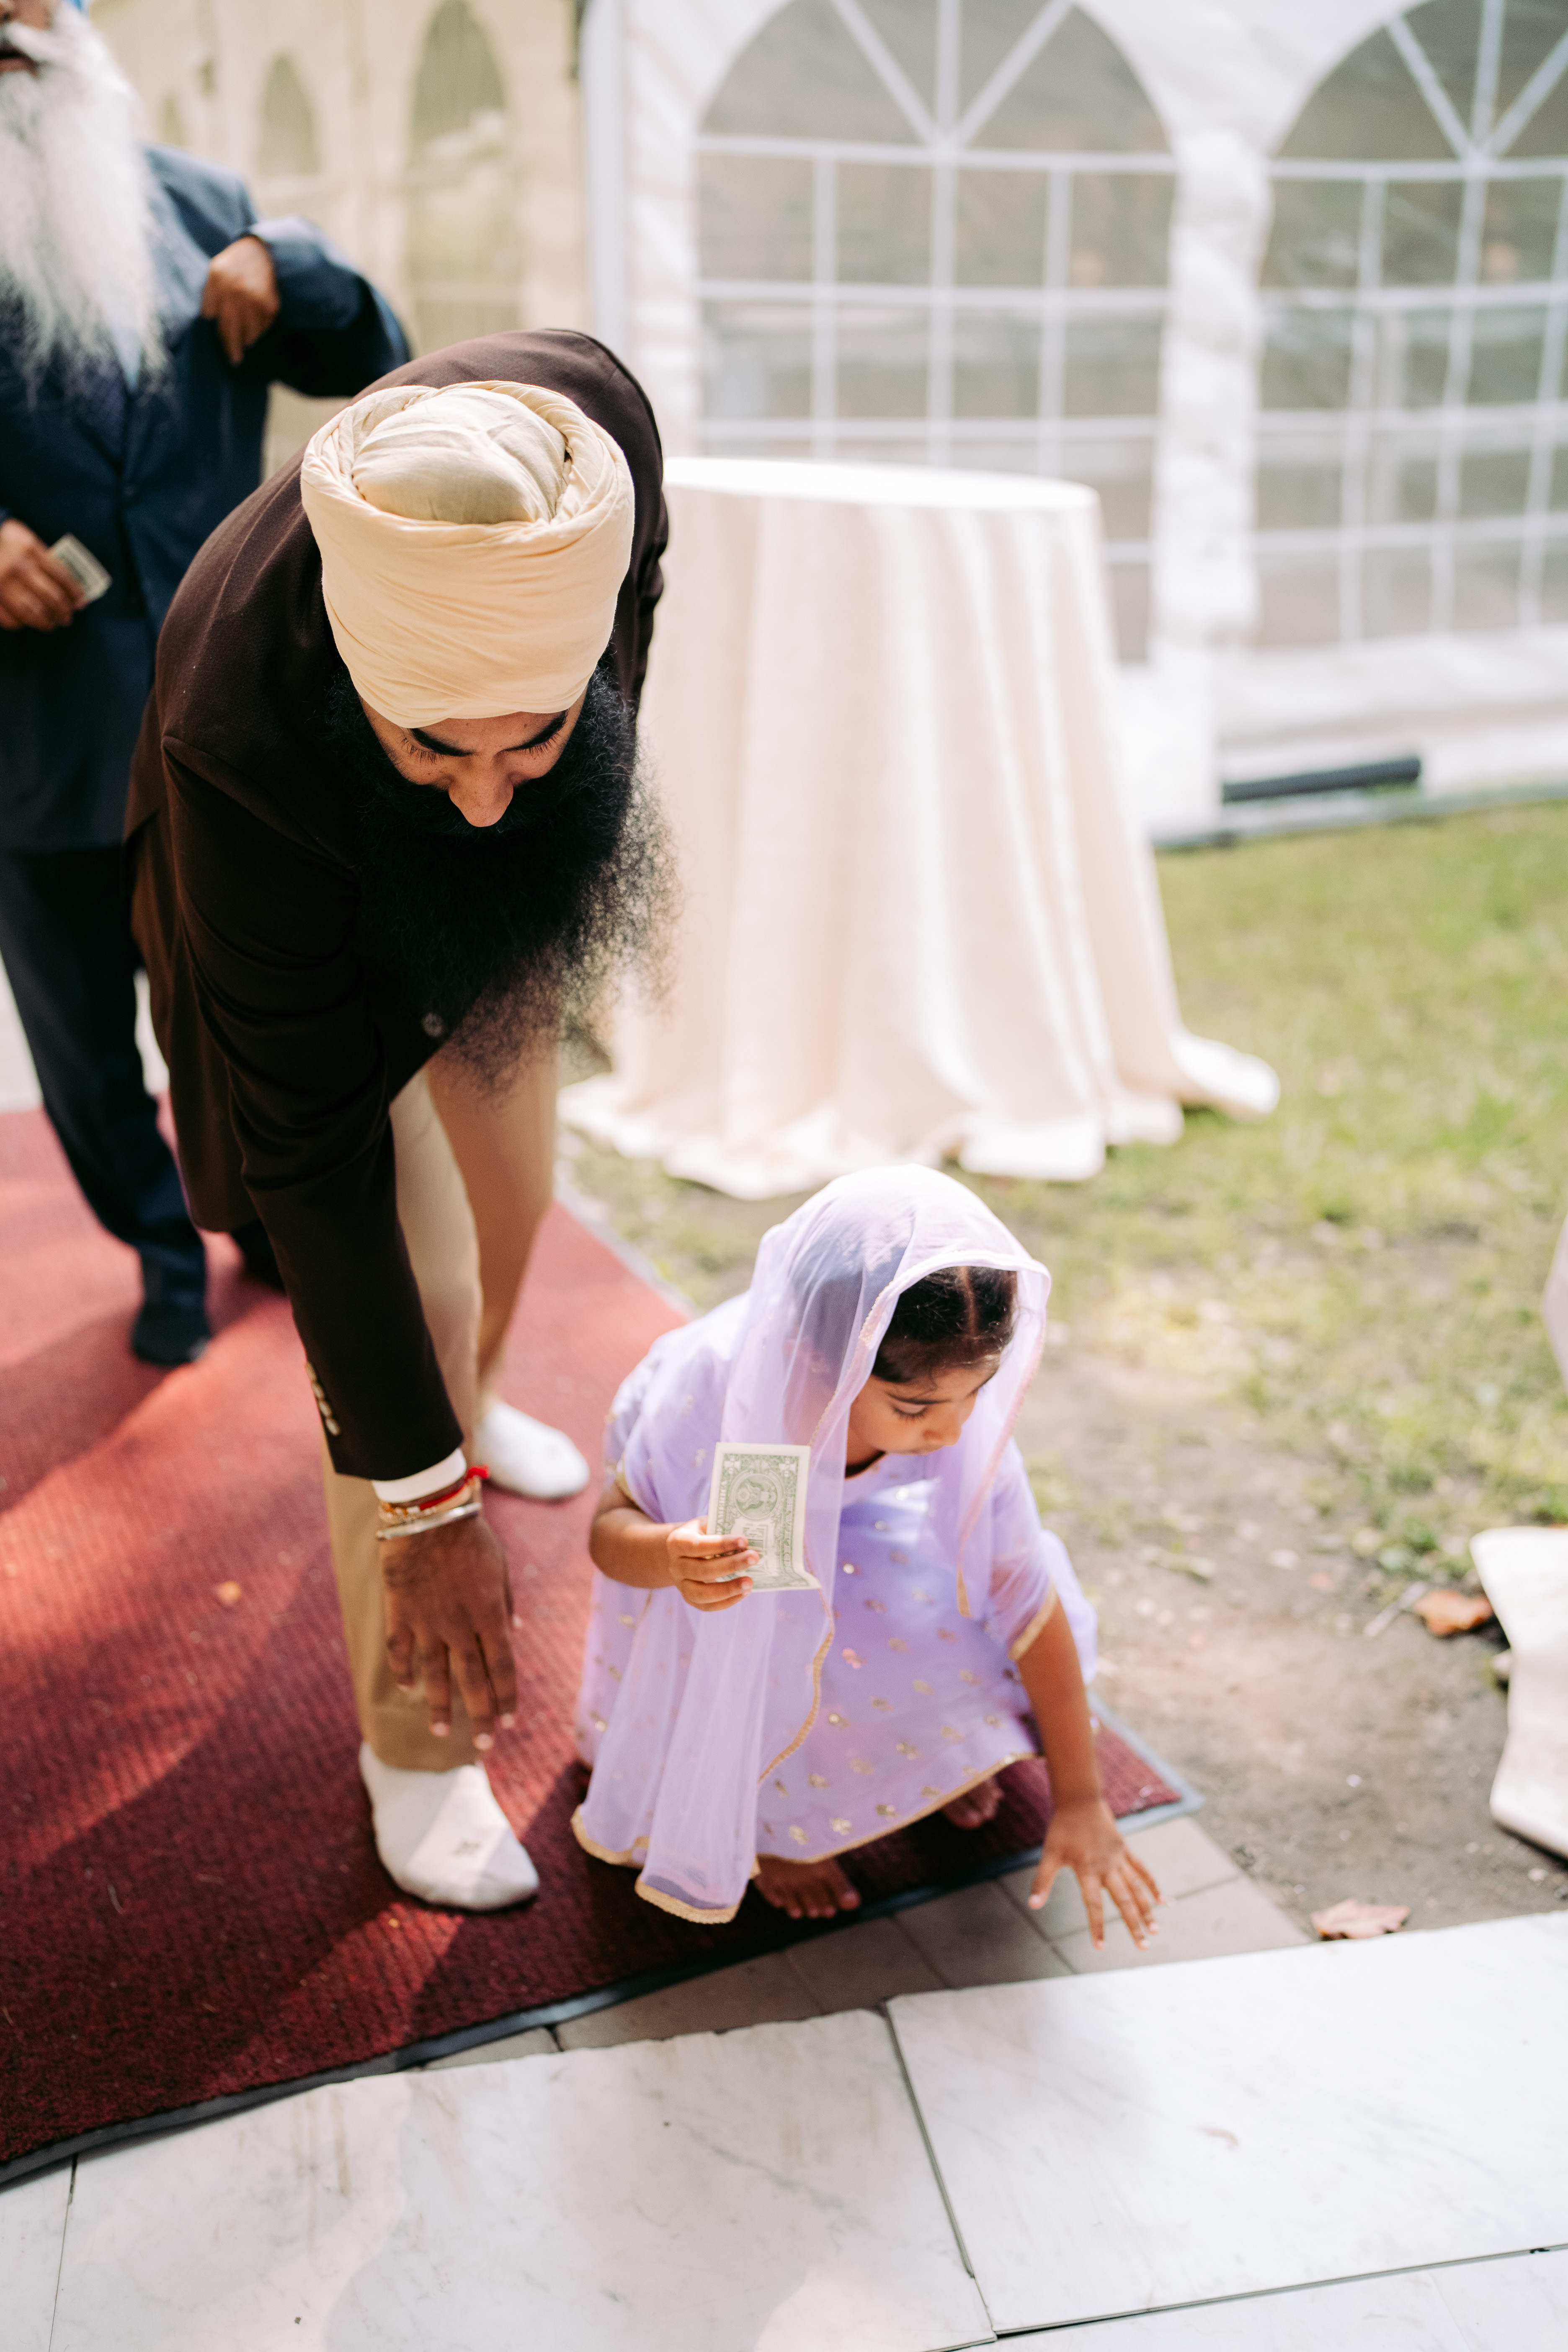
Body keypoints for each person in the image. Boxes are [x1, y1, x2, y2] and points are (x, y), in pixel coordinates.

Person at [128, 345, 670, 1908]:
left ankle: (467, 1408)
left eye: (533, 739)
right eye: (436, 745)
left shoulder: (604, 435)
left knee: (517, 1198)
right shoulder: (236, 737)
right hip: (307, 918)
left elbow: (618, 636)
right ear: (365, 690)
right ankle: (415, 1744)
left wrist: (538, 767)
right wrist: (426, 1508)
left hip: (473, 914)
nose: (488, 800)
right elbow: (316, 1166)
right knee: (414, 1290)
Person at [0, 0, 407, 1363]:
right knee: (83, 1045)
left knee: (250, 1012)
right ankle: (163, 1247)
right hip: (36, 741)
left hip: (218, 724)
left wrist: (293, 262)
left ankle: (264, 1220)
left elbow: (377, 360)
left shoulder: (205, 205)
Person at [575, 1166, 1164, 1939]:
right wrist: (673, 1557)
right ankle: (766, 1827)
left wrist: (1081, 1799)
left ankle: (923, 1755)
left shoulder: (949, 1410)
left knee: (963, 1606)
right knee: (754, 1625)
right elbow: (611, 1536)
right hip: (707, 1533)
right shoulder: (741, 1411)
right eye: (917, 1407)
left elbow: (1026, 1596)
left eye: (977, 1393)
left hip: (850, 1517)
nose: (953, 1431)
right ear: (825, 1362)